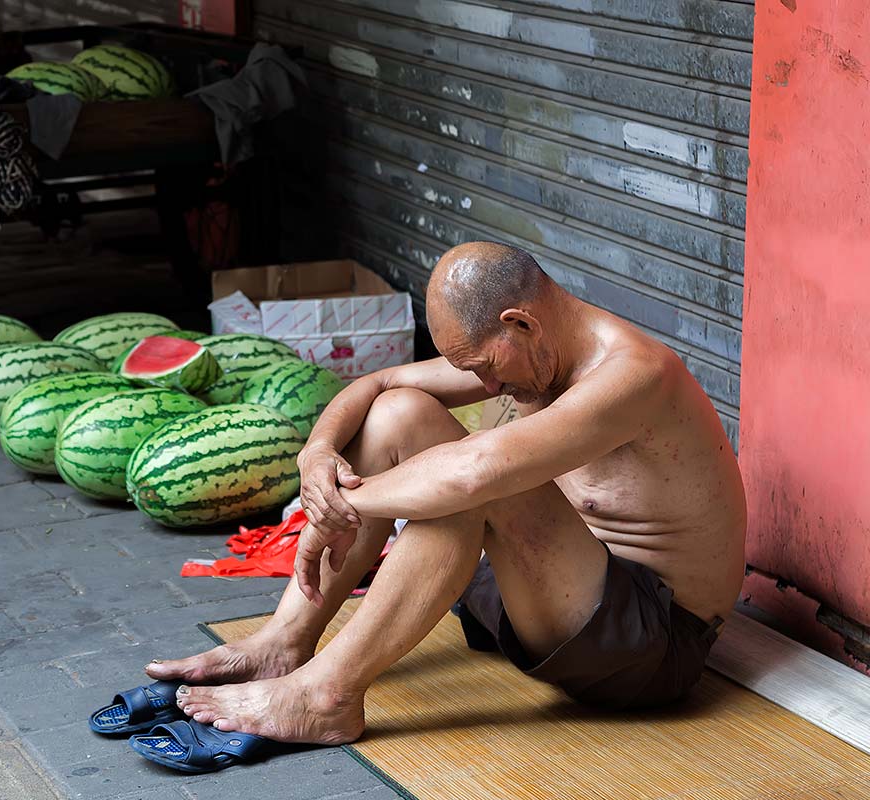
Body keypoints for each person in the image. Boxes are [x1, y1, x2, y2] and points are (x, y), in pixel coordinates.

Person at [145, 241, 747, 744]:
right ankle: (285, 642)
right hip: (542, 597)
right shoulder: (528, 349)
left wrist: (339, 505)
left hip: (646, 640)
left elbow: (473, 474)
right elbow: (378, 380)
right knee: (398, 413)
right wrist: (318, 454)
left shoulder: (633, 374)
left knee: (466, 484)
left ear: (521, 323)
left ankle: (326, 693)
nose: (485, 387)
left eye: (486, 367)